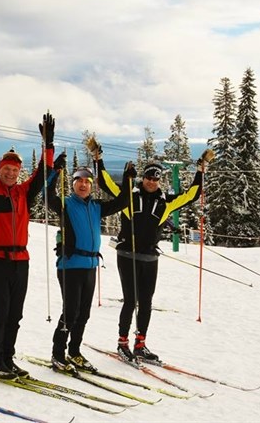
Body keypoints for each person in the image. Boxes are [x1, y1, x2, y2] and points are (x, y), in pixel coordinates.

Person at [97, 149, 207, 362]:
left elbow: (192, 194)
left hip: (149, 257)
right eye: (148, 176)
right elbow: (105, 183)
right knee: (130, 300)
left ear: (159, 180)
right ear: (143, 178)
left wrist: (200, 171)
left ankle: (140, 343)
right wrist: (98, 159)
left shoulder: (166, 202)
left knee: (146, 301)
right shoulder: (129, 195)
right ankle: (122, 343)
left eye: (156, 178)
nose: (151, 181)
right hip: (127, 254)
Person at [0, 112, 55, 380]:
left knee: (15, 314)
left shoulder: (24, 193)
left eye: (14, 170)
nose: (10, 173)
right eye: (6, 170)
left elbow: (45, 173)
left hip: (21, 260)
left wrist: (48, 145)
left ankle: (8, 358)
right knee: (0, 311)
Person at [46, 158, 135, 372]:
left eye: (87, 181)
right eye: (79, 181)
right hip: (70, 265)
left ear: (91, 185)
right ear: (73, 184)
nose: (83, 184)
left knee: (83, 313)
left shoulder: (96, 206)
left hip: (90, 265)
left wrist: (127, 179)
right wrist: (55, 171)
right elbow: (48, 196)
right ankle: (58, 354)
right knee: (70, 312)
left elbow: (123, 201)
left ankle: (74, 352)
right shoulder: (65, 205)